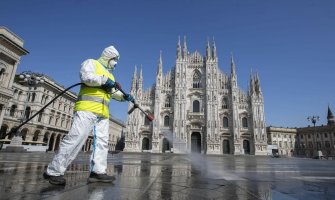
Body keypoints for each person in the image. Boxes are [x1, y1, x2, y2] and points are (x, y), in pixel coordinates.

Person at [43, 45, 134, 185]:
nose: (115, 63)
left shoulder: (110, 75)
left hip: (103, 113)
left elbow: (112, 93)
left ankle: (98, 171)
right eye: (114, 59)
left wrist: (124, 97)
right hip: (87, 108)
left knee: (102, 143)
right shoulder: (92, 63)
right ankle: (54, 171)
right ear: (108, 57)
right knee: (76, 138)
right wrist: (103, 80)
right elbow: (86, 77)